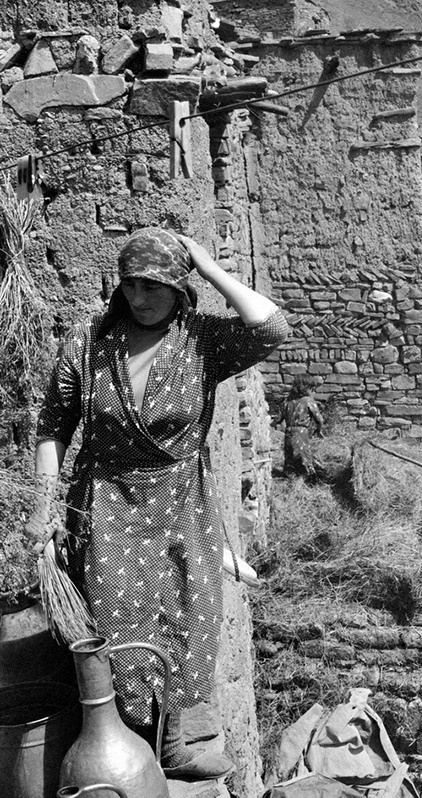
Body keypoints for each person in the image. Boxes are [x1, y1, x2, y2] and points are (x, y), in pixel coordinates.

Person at [24, 227, 289, 779]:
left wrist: (208, 266)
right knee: (111, 621)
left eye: (154, 286)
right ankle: (122, 738)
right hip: (106, 502)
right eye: (130, 285)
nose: (140, 298)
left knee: (191, 617)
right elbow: (52, 424)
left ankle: (186, 741)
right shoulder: (91, 342)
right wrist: (45, 507)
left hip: (181, 502)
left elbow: (271, 327)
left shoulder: (203, 341)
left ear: (179, 289)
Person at [282, 374, 324, 479]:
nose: (313, 390)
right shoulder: (308, 401)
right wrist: (318, 430)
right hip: (301, 433)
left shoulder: (287, 401)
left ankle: (290, 479)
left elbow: (278, 419)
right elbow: (319, 419)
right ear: (305, 387)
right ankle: (309, 480)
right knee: (304, 457)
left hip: (288, 433)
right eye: (311, 388)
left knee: (290, 457)